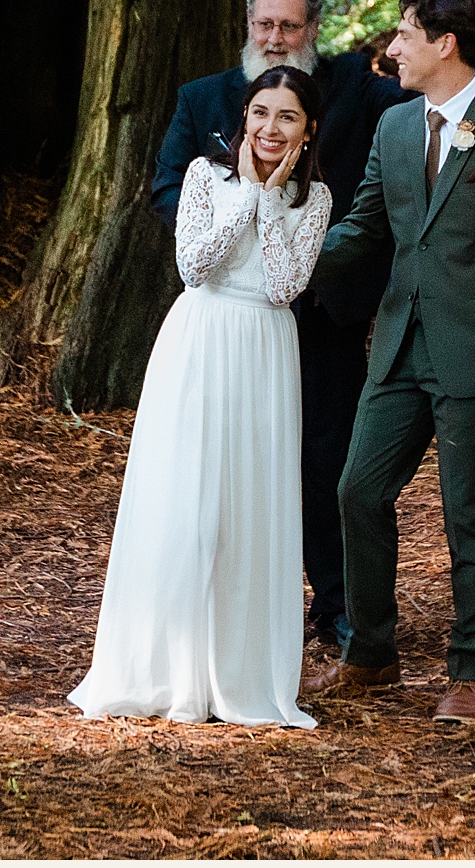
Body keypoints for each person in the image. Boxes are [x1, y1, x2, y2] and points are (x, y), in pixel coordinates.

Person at [302, 0, 475, 722]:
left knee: (467, 513)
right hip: (394, 348)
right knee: (357, 490)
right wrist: (288, 258)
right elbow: (364, 228)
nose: (393, 48)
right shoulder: (392, 127)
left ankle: (471, 672)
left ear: (445, 43)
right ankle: (372, 654)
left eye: (404, 34)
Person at [149, 0, 410, 650]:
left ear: (312, 29)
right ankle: (207, 608)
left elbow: (425, 108)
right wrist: (220, 239)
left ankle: (337, 604)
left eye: (289, 25)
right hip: (222, 317)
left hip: (322, 312)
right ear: (248, 26)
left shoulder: (353, 88)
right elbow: (169, 188)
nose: (275, 37)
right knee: (216, 463)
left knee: (328, 460)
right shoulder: (205, 100)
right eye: (264, 24)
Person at [70, 66, 333, 727]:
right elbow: (195, 264)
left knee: (248, 503)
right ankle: (164, 668)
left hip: (265, 350)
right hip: (199, 338)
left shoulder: (316, 198)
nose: (271, 128)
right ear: (243, 118)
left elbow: (282, 284)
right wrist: (246, 194)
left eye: (288, 117)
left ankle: (239, 674)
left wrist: (272, 202)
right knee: (188, 505)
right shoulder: (200, 176)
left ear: (308, 130)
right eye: (261, 113)